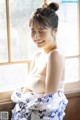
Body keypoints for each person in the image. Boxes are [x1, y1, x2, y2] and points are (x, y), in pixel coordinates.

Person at [11, 2, 68, 120]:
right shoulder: (37, 55)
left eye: (41, 31)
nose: (36, 36)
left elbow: (48, 102)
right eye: (33, 30)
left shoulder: (55, 56)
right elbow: (25, 91)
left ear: (55, 31)